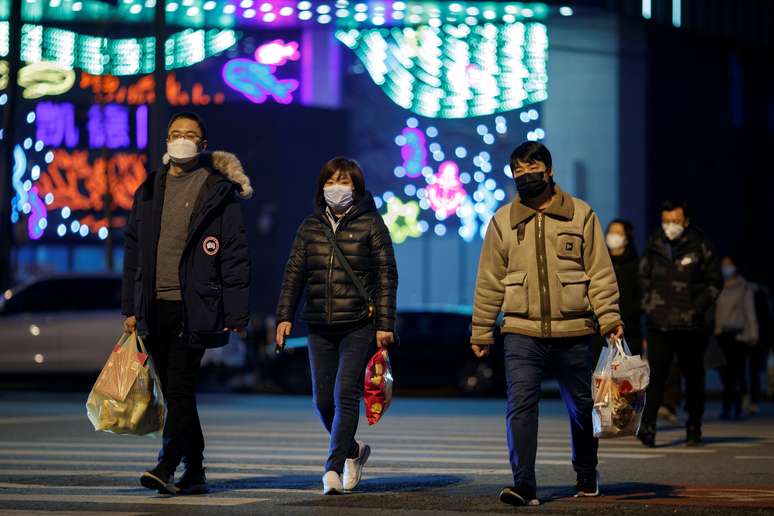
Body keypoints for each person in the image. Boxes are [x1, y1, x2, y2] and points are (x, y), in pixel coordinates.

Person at [470, 142, 623, 507]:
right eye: (518, 171)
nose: (525, 175)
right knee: (520, 406)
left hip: (574, 330)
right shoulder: (502, 220)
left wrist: (609, 318)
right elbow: (490, 278)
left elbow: (599, 272)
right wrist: (482, 328)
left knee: (582, 406)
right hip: (521, 330)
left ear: (549, 170)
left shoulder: (580, 214)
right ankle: (524, 485)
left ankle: (586, 473)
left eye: (532, 167)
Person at [122, 112, 252, 495]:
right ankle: (194, 471)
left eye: (189, 135)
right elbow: (133, 252)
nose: (182, 140)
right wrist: (130, 307)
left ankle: (166, 464)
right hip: (153, 303)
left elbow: (234, 255)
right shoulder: (148, 189)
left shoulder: (217, 192)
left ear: (203, 145)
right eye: (175, 134)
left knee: (179, 386)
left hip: (195, 305)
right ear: (166, 141)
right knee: (177, 391)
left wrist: (237, 312)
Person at [275, 157, 398, 495]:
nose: (336, 188)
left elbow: (387, 276)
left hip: (358, 324)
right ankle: (354, 451)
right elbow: (294, 274)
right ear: (321, 187)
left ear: (356, 187)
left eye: (343, 181)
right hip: (318, 325)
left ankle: (332, 468)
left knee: (346, 396)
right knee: (322, 402)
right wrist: (284, 316)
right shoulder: (310, 227)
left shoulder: (372, 225)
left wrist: (384, 323)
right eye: (330, 181)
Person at [638, 200, 722, 447]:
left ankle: (694, 427)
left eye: (675, 221)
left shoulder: (700, 245)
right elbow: (643, 278)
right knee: (655, 379)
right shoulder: (654, 245)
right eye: (666, 221)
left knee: (693, 378)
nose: (670, 226)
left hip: (691, 326)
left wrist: (697, 308)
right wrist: (649, 306)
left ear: (685, 221)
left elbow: (715, 283)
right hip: (659, 324)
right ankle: (648, 427)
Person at [715, 257, 758, 419]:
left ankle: (737, 406)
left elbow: (749, 311)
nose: (726, 267)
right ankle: (728, 405)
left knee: (738, 372)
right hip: (722, 335)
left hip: (738, 335)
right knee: (725, 375)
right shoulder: (719, 286)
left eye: (729, 264)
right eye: (724, 265)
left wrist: (753, 333)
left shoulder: (743, 286)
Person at [593, 219, 643, 360]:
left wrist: (625, 314)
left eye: (618, 233)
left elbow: (643, 298)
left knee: (626, 379)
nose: (613, 236)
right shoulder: (599, 263)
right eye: (611, 232)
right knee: (601, 378)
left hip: (629, 331)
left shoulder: (637, 266)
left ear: (627, 238)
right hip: (601, 330)